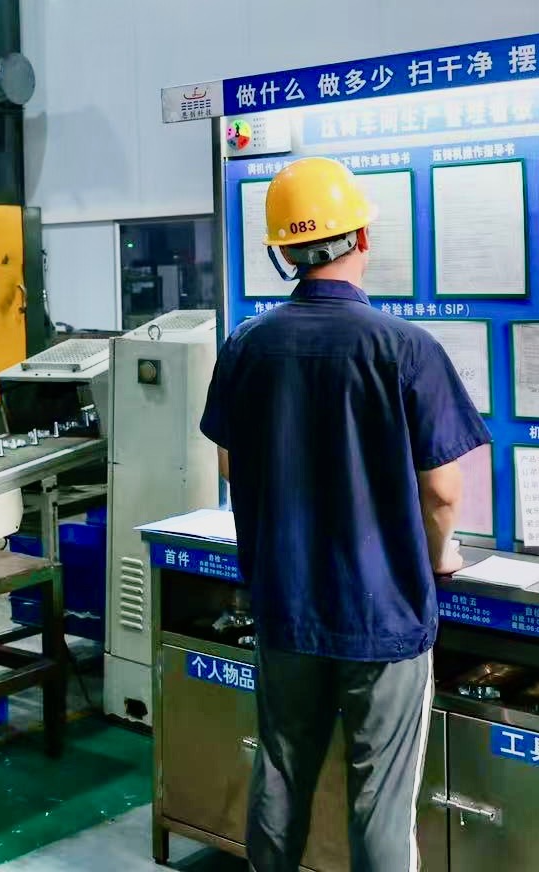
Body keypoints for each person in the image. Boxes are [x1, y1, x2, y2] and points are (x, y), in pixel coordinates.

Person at [199, 157, 489, 872]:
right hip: (383, 616)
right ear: (362, 236)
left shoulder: (247, 345)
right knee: (380, 799)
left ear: (285, 251)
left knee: (281, 766)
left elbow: (231, 466)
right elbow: (443, 492)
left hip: (284, 605)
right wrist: (440, 554)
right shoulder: (405, 348)